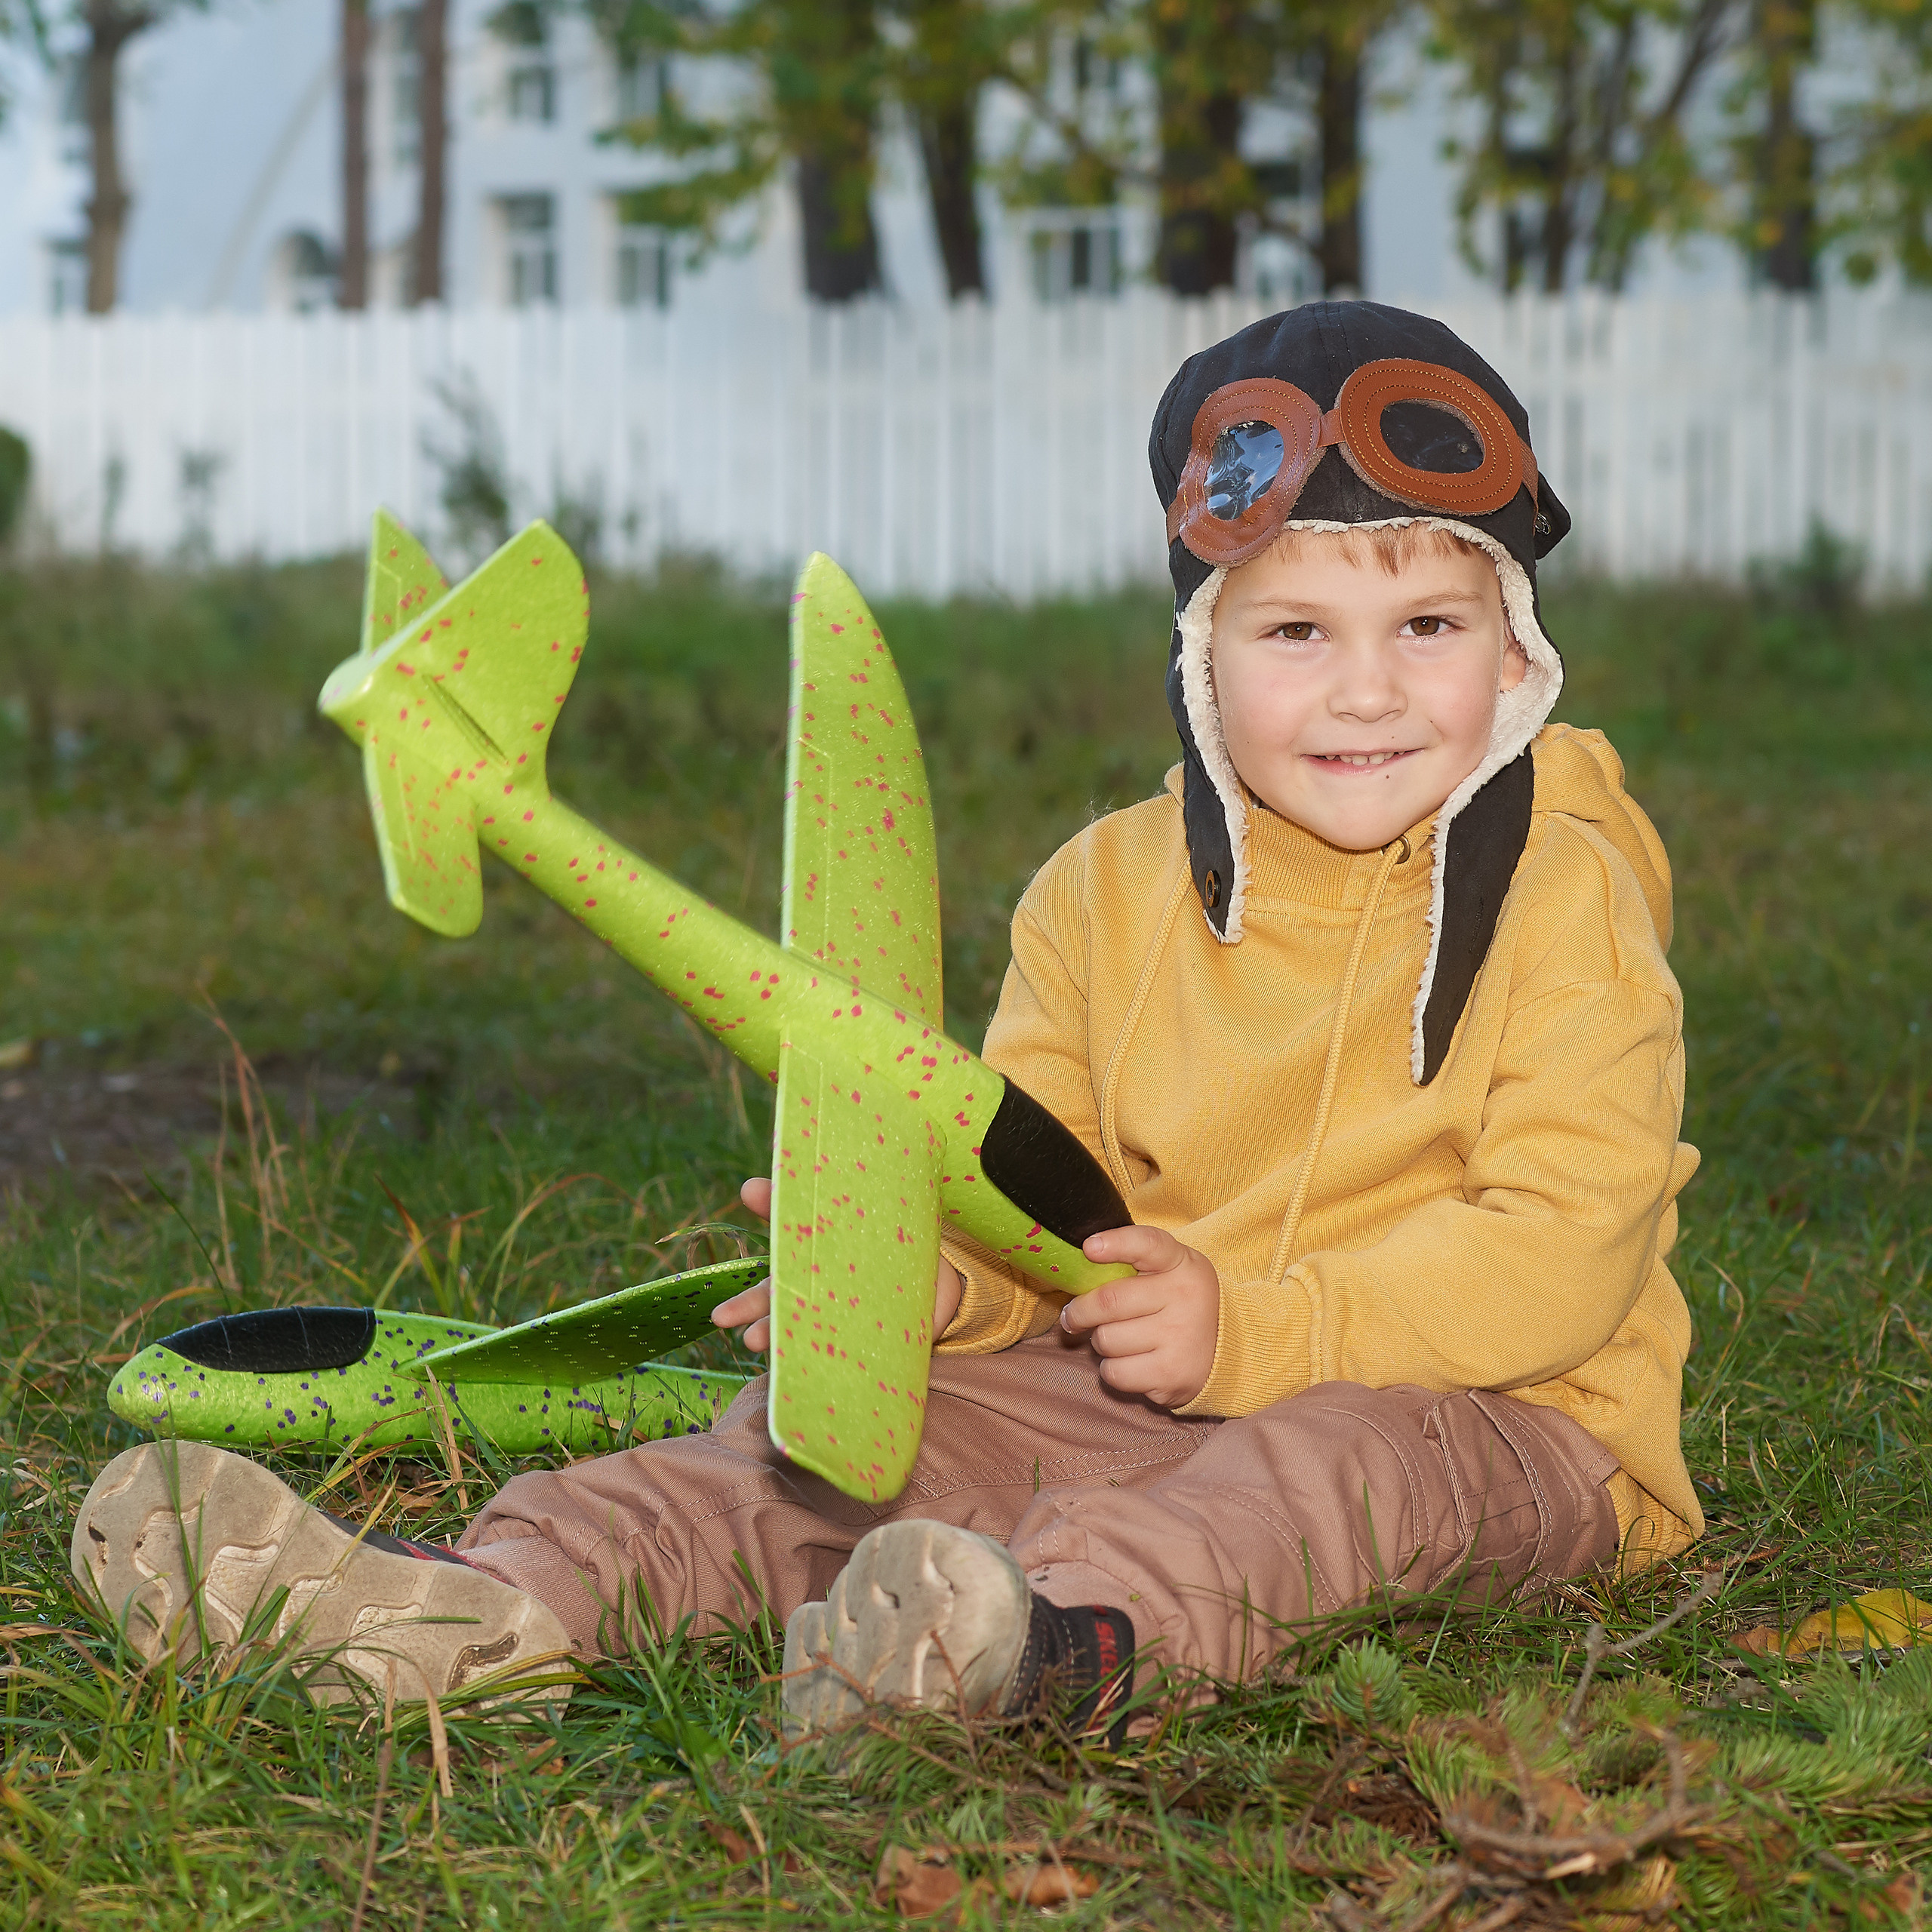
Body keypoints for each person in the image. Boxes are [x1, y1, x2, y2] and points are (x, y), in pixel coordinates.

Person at [72, 303, 1700, 1743]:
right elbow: (1036, 1186)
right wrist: (939, 1284)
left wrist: (1256, 1331)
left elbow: (1563, 1250)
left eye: (1428, 625)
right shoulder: (1098, 891)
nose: (1365, 690)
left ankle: (1035, 1649)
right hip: (1128, 1381)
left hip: (1500, 1422)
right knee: (824, 1457)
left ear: (1515, 650)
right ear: (1202, 654)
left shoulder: (1568, 894)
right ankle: (479, 1607)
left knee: (1319, 1481)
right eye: (1293, 630)